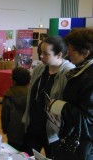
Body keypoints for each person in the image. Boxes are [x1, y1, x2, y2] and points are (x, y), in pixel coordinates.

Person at [22, 36, 75, 158]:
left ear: (59, 54)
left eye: (46, 54)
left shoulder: (69, 73)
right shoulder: (40, 68)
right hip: (33, 126)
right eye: (41, 52)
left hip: (53, 133)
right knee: (27, 156)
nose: (41, 56)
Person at [49, 28, 93, 160]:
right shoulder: (81, 71)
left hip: (82, 144)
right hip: (73, 137)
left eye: (71, 50)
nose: (68, 54)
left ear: (85, 52)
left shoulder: (89, 77)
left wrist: (60, 106)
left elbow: (88, 118)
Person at [1, 67, 31, 151]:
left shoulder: (8, 95)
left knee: (13, 153)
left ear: (14, 81)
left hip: (13, 132)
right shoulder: (32, 93)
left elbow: (5, 115)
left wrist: (5, 129)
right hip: (29, 132)